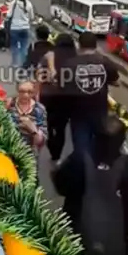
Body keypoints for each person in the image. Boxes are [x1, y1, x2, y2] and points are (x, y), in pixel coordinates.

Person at [51, 114, 128, 255]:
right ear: (122, 141)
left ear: (94, 137)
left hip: (75, 240)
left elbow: (60, 187)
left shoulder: (78, 160)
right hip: (116, 250)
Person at [62, 31, 119, 156]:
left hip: (78, 113)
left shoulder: (70, 64)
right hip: (100, 111)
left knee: (81, 147)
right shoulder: (105, 62)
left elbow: (62, 87)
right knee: (99, 146)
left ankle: (83, 165)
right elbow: (116, 80)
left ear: (79, 45)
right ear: (96, 45)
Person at [40, 33, 76, 161]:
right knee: (61, 127)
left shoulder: (48, 57)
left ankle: (51, 142)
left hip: (48, 97)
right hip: (67, 99)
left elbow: (41, 76)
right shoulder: (75, 59)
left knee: (49, 123)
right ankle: (57, 152)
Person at [9, 80, 48, 156]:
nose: (25, 95)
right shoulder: (9, 105)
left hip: (30, 154)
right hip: (10, 151)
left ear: (34, 92)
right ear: (17, 90)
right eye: (22, 91)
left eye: (29, 92)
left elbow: (42, 140)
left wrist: (34, 130)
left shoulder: (39, 109)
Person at [5, 0, 35, 67]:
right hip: (25, 28)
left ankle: (14, 63)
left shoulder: (14, 3)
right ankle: (23, 63)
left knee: (14, 46)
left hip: (14, 28)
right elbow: (32, 17)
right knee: (24, 47)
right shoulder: (29, 4)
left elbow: (8, 15)